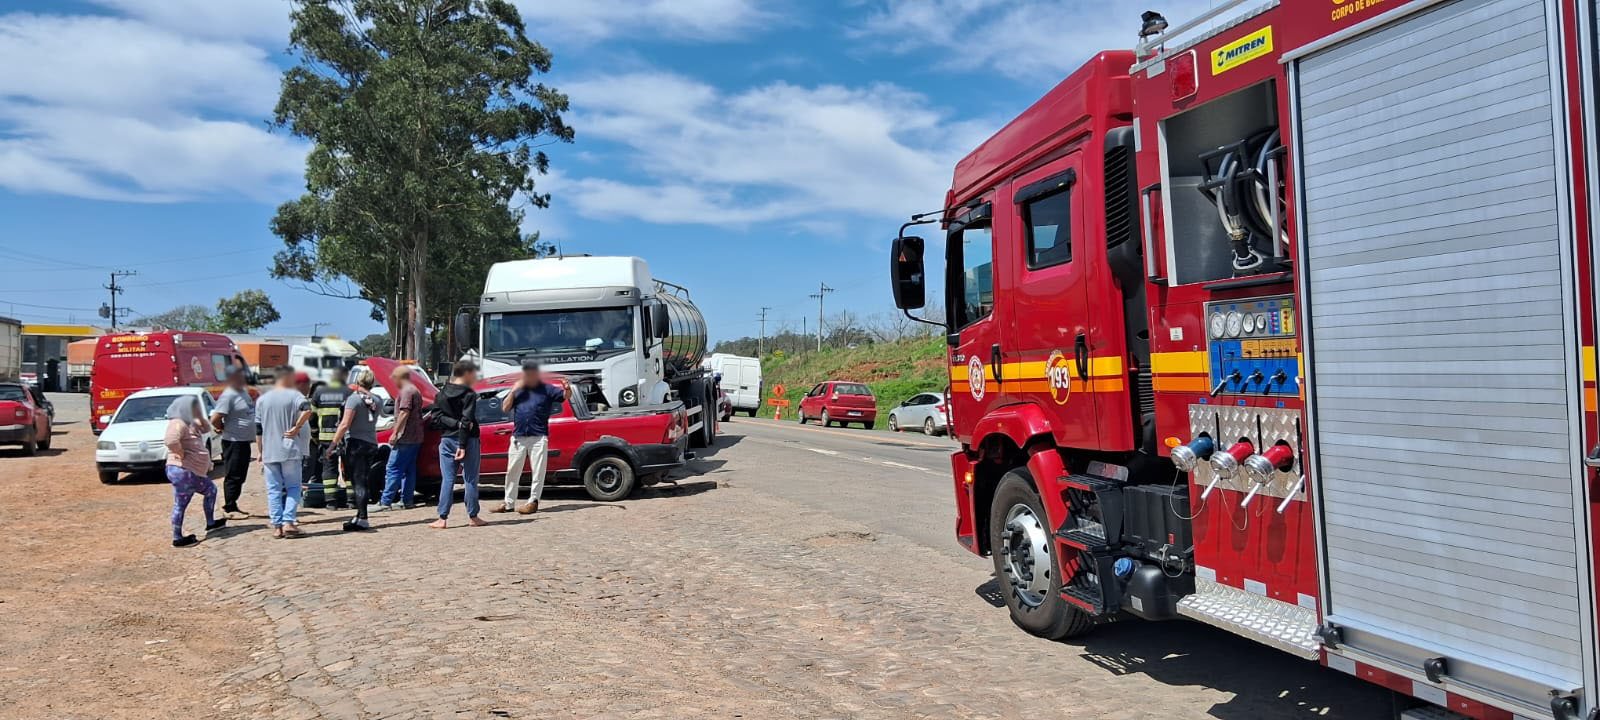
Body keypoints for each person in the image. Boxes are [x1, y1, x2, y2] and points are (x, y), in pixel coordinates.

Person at [495, 359, 565, 515]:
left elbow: (564, 396)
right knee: (512, 470)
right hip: (518, 436)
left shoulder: (546, 389)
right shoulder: (519, 389)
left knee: (538, 471)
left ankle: (533, 501)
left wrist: (567, 389)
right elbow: (505, 408)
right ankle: (508, 503)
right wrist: (513, 390)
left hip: (538, 437)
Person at [258, 366, 315, 538]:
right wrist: (296, 427)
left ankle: (277, 526)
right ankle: (288, 521)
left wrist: (260, 451)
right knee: (293, 487)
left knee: (273, 489)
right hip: (289, 448)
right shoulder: (294, 395)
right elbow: (308, 409)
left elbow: (258, 428)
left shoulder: (262, 399)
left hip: (269, 449)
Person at [325, 366, 382, 532]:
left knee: (358, 482)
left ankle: (363, 518)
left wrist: (332, 445)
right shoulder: (377, 399)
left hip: (356, 443)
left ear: (357, 381)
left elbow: (344, 424)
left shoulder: (354, 399)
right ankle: (359, 515)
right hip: (371, 442)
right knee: (363, 479)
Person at [429, 361, 484, 529]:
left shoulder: (441, 393)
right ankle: (473, 516)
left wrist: (453, 423)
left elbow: (435, 417)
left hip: (446, 439)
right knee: (470, 478)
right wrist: (461, 439)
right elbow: (467, 421)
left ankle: (442, 518)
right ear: (466, 374)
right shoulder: (469, 394)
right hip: (467, 440)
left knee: (448, 479)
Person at [165, 395, 225, 547]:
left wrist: (199, 416)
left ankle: (211, 523)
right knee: (181, 503)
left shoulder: (188, 421)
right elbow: (171, 441)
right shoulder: (177, 422)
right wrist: (181, 453)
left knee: (210, 490)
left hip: (192, 471)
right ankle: (177, 538)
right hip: (183, 470)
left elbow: (206, 428)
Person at [210, 363, 255, 519]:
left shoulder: (243, 392)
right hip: (233, 441)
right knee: (233, 474)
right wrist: (222, 427)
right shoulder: (228, 395)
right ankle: (229, 507)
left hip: (244, 441)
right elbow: (215, 418)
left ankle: (234, 504)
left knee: (241, 474)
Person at [379, 365, 424, 510]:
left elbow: (404, 412)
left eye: (394, 378)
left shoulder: (406, 392)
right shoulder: (415, 390)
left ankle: (385, 502)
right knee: (409, 470)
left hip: (405, 437)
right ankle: (407, 500)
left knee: (393, 468)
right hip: (416, 436)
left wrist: (395, 432)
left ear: (400, 378)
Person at [309, 367, 353, 509]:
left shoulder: (319, 392)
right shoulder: (349, 392)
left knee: (329, 469)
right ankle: (351, 501)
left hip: (326, 438)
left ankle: (331, 502)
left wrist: (315, 435)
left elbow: (312, 417)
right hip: (345, 438)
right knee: (349, 468)